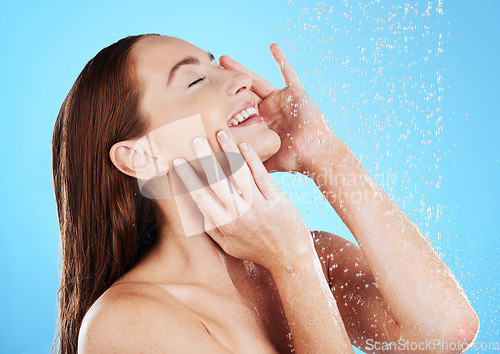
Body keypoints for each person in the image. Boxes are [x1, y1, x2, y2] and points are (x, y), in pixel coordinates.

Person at [52, 33, 479, 353]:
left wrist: (323, 151)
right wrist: (292, 265)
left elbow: (446, 333)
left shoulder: (312, 257)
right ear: (138, 158)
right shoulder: (124, 323)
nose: (239, 77)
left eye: (216, 65)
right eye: (195, 79)